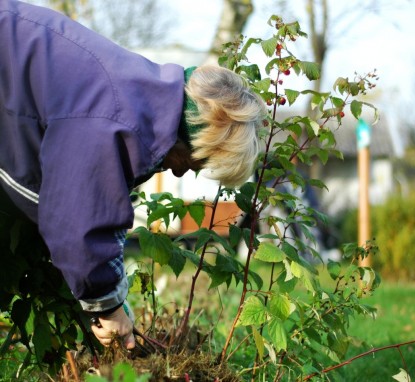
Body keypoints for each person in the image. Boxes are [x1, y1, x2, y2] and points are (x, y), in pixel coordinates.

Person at [0, 0, 266, 350]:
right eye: (199, 161)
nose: (185, 170)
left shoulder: (142, 96)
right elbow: (74, 220)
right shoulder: (115, 117)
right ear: (198, 136)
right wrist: (108, 308)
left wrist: (111, 293)